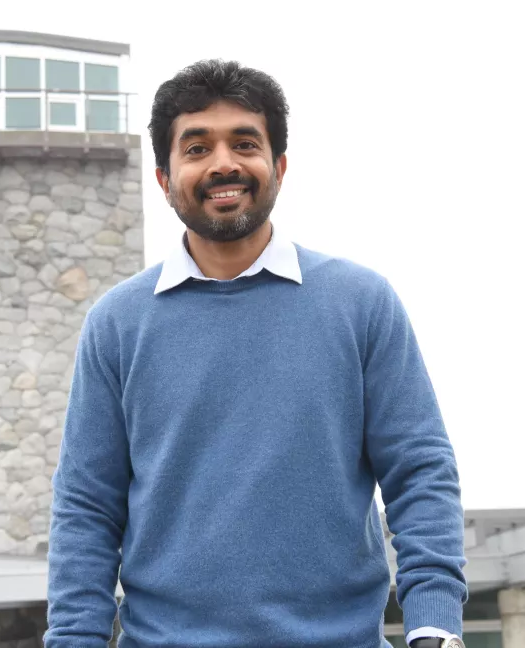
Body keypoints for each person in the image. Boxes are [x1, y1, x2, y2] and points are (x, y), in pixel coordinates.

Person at [45, 59, 468, 648]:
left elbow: (421, 470)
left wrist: (434, 623)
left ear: (279, 167)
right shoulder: (117, 324)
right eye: (196, 147)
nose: (223, 162)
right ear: (165, 178)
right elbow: (87, 507)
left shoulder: (361, 302)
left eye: (245, 143)